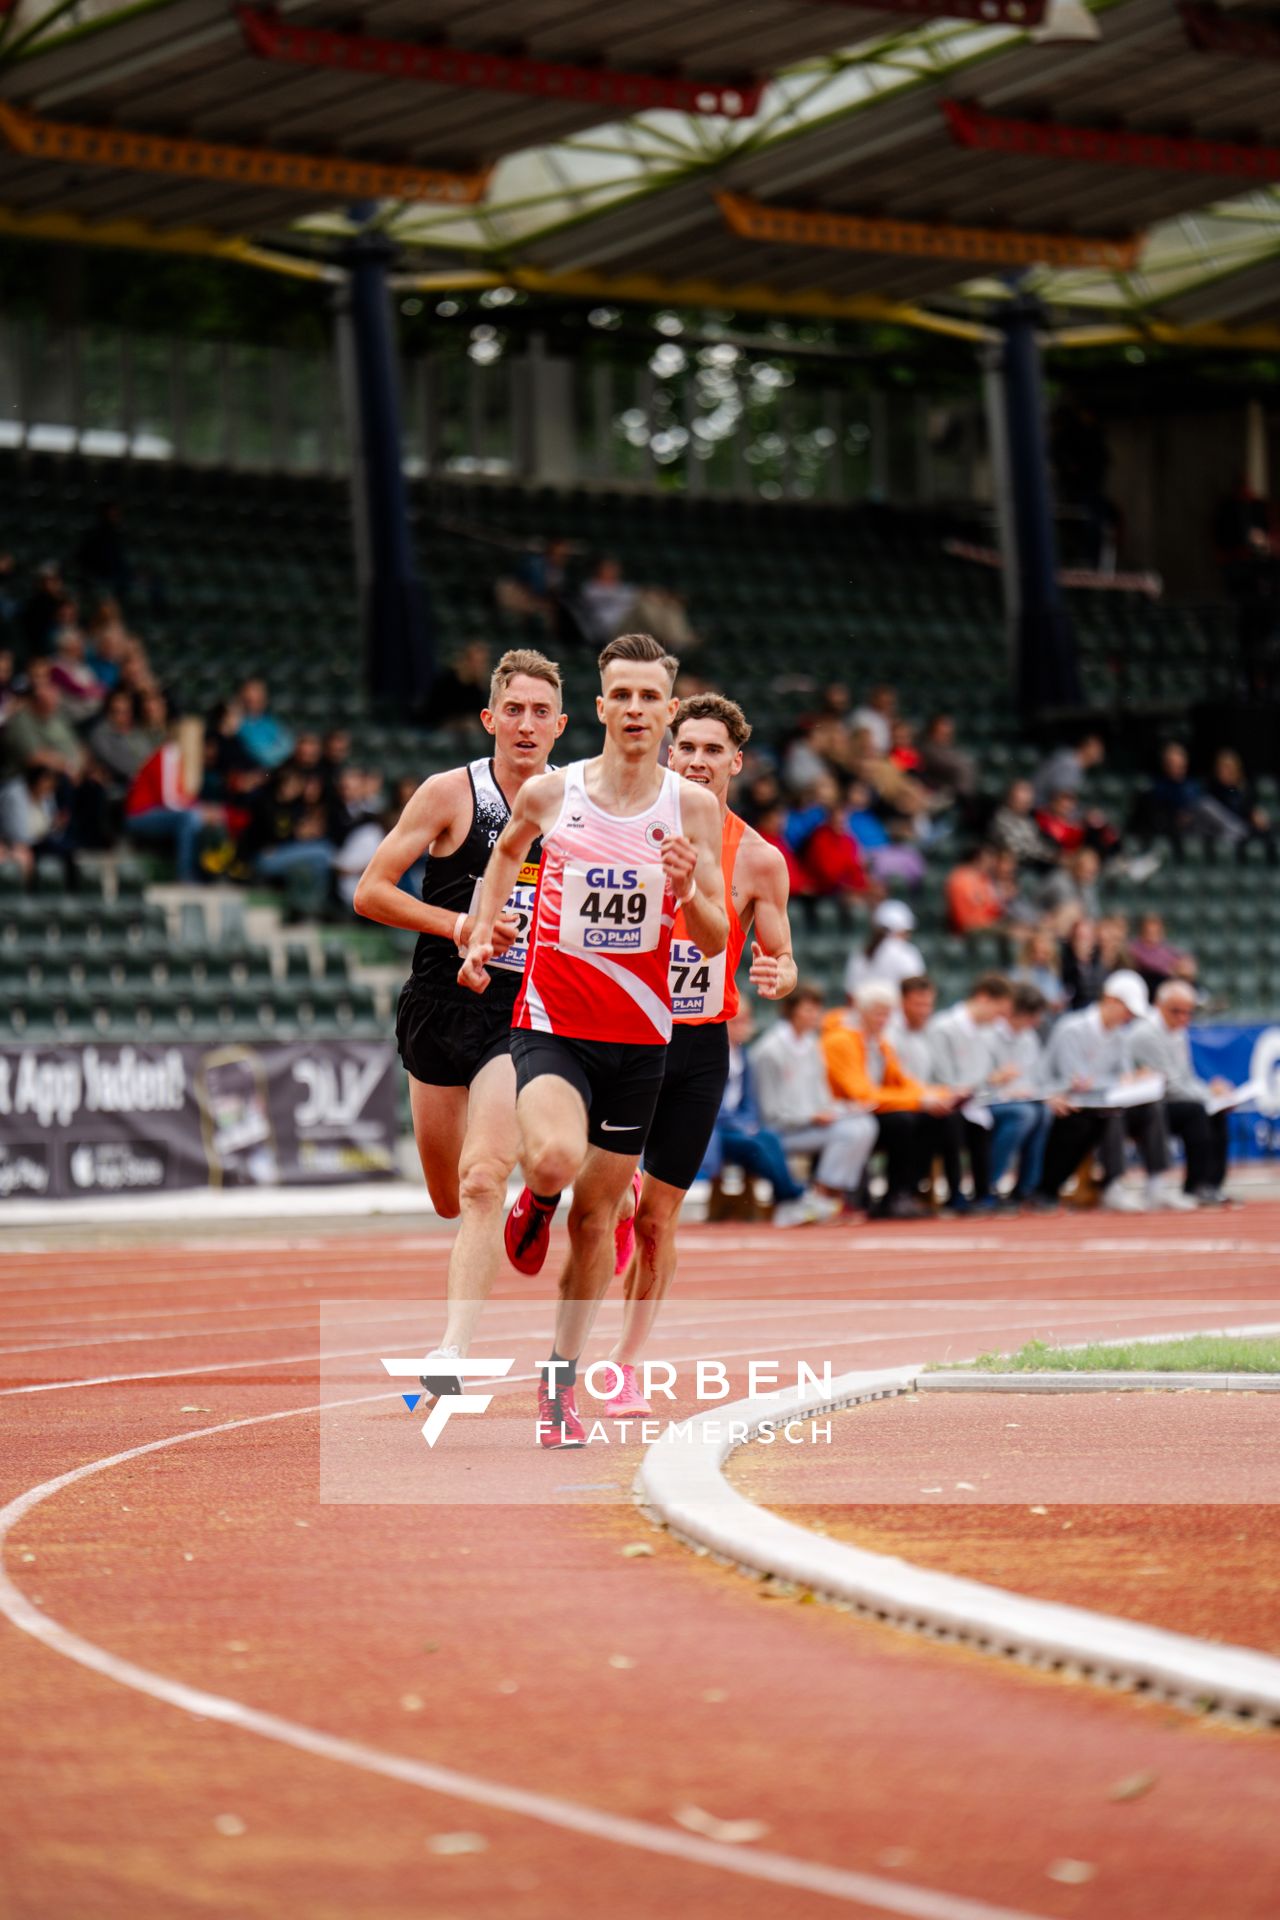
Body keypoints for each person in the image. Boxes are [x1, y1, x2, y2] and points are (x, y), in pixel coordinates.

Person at [462, 633, 728, 1449]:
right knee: (550, 1160)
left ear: (669, 708)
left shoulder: (692, 810)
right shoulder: (552, 793)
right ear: (603, 706)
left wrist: (686, 892)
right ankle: (534, 1200)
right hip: (552, 1024)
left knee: (598, 1221)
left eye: (653, 697)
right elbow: (504, 855)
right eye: (624, 695)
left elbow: (716, 940)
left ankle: (558, 1386)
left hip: (642, 1042)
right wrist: (480, 930)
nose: (638, 709)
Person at [353, 648, 568, 1398]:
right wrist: (461, 926)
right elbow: (371, 891)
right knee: (448, 1195)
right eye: (514, 709)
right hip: (439, 1006)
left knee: (482, 1181)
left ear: (561, 726)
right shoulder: (451, 795)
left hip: (521, 1015)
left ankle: (451, 1351)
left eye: (542, 712)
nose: (526, 723)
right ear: (490, 718)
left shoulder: (576, 808)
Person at [599, 692, 803, 1417]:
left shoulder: (758, 858)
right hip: (620, 1033)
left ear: (735, 763)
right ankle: (609, 1202)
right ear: (666, 752)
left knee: (660, 1220)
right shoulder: (618, 828)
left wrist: (779, 974)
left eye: (712, 750)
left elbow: (782, 957)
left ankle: (624, 1366)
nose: (696, 761)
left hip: (697, 1046)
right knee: (599, 1187)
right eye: (685, 748)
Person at [1036, 970, 1190, 1213]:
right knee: (1112, 1112)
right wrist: (1119, 1081)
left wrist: (1135, 1079)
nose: (1128, 1017)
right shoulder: (1072, 1029)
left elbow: (1121, 1076)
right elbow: (1074, 1080)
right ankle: (1113, 1185)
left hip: (1098, 1102)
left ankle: (1156, 1184)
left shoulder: (1119, 1035)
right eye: (1127, 1010)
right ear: (1110, 1001)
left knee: (1151, 1108)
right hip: (1067, 1103)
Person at [821, 982, 958, 1219]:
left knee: (937, 1118)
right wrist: (919, 1101)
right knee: (903, 1121)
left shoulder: (877, 1041)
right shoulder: (841, 1041)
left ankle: (906, 1192)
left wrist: (937, 1095)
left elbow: (902, 1080)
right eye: (878, 1013)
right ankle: (894, 1195)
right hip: (848, 1112)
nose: (884, 1019)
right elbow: (861, 1093)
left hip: (872, 1109)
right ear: (861, 1012)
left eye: (887, 1014)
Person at [702, 1009, 842, 1227]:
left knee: (770, 1138)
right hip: (715, 1129)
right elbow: (709, 1103)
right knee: (754, 1144)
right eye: (736, 1022)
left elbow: (748, 1100)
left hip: (738, 1126)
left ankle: (790, 1199)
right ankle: (793, 1197)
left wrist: (747, 1123)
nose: (742, 1027)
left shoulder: (744, 1056)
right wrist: (740, 1125)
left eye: (746, 1021)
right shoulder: (710, 1056)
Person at [750, 985, 876, 1218]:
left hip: (811, 1125)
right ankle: (823, 1196)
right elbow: (769, 1112)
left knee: (865, 1124)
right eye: (808, 1010)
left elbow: (822, 1096)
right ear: (791, 1011)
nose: (814, 1016)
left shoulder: (812, 1045)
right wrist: (810, 1117)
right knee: (849, 1133)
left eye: (816, 1010)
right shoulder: (769, 1051)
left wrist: (838, 1109)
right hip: (782, 1132)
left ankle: (833, 1195)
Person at [1130, 980, 1233, 1206]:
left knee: (1216, 1111)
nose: (1183, 1017)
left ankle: (1211, 1184)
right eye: (1176, 1011)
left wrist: (1212, 1094)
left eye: (1188, 1012)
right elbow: (1171, 1085)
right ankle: (1195, 1185)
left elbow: (1187, 1078)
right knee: (1196, 1111)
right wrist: (1208, 1096)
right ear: (1159, 1005)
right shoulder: (1147, 1033)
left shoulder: (1177, 1032)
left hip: (1171, 1100)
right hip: (1148, 1106)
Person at [925, 974, 1015, 1210]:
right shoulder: (943, 1028)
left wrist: (989, 1083)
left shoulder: (985, 1032)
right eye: (997, 1011)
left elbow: (979, 1079)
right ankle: (956, 1194)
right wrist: (986, 1081)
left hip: (974, 1101)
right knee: (956, 1121)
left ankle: (985, 1191)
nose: (998, 1020)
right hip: (943, 1101)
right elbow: (943, 1077)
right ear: (984, 998)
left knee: (1001, 1117)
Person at [983, 984, 1059, 1208]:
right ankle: (991, 1183)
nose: (1036, 1023)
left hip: (1021, 1099)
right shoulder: (989, 1035)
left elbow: (1035, 1076)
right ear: (1021, 1013)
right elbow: (981, 1077)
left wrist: (1036, 1092)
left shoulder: (1028, 1038)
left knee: (1044, 1112)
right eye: (1033, 1016)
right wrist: (1001, 1085)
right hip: (989, 1100)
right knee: (1023, 1115)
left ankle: (1026, 1187)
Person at [125, 716, 224, 883]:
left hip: (161, 812)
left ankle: (211, 875)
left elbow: (183, 798)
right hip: (140, 814)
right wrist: (199, 812)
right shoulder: (169, 754)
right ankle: (185, 876)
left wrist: (205, 810)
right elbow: (169, 801)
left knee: (216, 816)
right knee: (190, 819)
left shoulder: (182, 759)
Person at [844, 900, 925, 999]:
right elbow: (916, 989)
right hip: (894, 1012)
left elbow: (850, 993)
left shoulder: (860, 952)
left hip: (864, 1012)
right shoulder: (906, 952)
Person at [945, 843, 1006, 936]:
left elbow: (992, 911)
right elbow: (964, 920)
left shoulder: (985, 880)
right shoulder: (961, 878)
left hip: (987, 926)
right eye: (989, 858)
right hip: (967, 931)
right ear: (977, 858)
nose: (992, 863)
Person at [237, 678, 294, 770]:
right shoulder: (238, 724)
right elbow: (262, 755)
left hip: (273, 772)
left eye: (258, 699)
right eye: (250, 701)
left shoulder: (271, 721)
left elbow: (288, 746)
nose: (254, 704)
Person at [989, 778, 1046, 867]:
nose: (1026, 805)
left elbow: (1037, 845)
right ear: (1010, 798)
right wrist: (1044, 855)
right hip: (1011, 866)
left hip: (1033, 864)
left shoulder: (1029, 822)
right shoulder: (1002, 819)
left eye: (1028, 802)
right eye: (1021, 802)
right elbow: (1016, 850)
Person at [891, 974, 937, 1082]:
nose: (923, 1011)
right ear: (902, 1002)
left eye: (927, 1005)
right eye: (918, 1005)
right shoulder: (888, 1036)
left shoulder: (933, 1031)